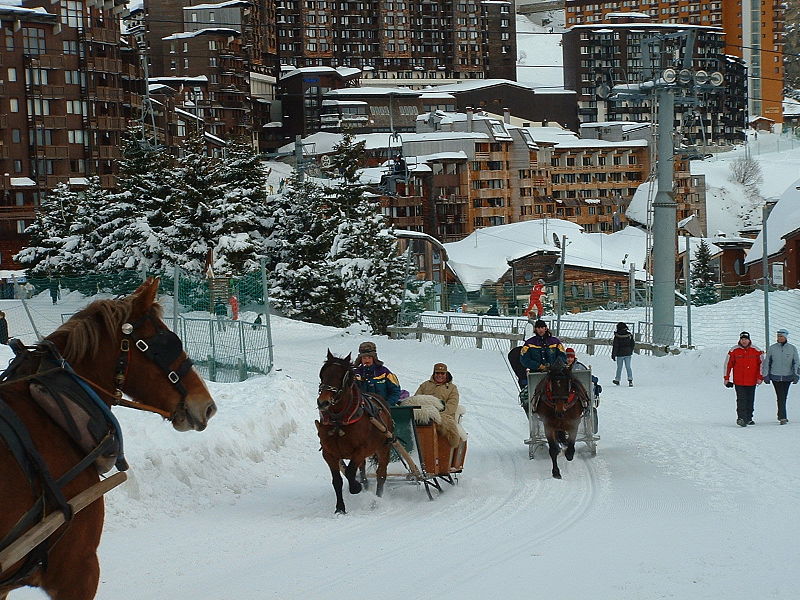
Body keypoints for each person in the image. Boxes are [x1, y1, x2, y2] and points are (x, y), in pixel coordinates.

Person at [414, 363, 462, 447]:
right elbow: (417, 399)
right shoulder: (425, 385)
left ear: (446, 374)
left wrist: (438, 412)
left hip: (443, 415)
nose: (440, 375)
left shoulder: (452, 388)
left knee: (446, 426)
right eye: (437, 373)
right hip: (425, 414)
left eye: (442, 373)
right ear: (434, 373)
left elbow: (452, 404)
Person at [723, 331, 763, 427]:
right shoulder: (734, 351)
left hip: (752, 381)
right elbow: (727, 365)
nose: (744, 341)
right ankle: (741, 418)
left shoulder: (756, 350)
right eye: (742, 339)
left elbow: (762, 365)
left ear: (749, 340)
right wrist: (726, 378)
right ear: (739, 340)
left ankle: (749, 418)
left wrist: (760, 377)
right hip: (739, 381)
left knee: (750, 399)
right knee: (741, 399)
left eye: (745, 339)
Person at [762, 328, 800, 425]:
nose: (780, 338)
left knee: (784, 396)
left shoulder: (792, 348)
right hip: (776, 376)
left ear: (786, 337)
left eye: (781, 336)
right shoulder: (772, 348)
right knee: (780, 396)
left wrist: (796, 374)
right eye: (778, 336)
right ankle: (783, 417)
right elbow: (767, 362)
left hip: (788, 376)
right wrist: (765, 375)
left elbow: (796, 362)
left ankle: (781, 414)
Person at [353, 341, 401, 407]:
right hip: (361, 409)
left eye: (369, 358)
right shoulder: (355, 374)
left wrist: (387, 405)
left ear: (374, 358)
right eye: (364, 358)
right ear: (360, 359)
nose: (367, 361)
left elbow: (395, 391)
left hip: (382, 409)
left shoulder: (385, 372)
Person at [611, 322, 635, 386]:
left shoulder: (617, 336)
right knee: (628, 367)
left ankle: (617, 380)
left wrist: (613, 354)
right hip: (628, 353)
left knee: (619, 367)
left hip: (619, 354)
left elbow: (615, 346)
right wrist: (630, 350)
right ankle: (630, 380)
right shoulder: (629, 335)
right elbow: (632, 344)